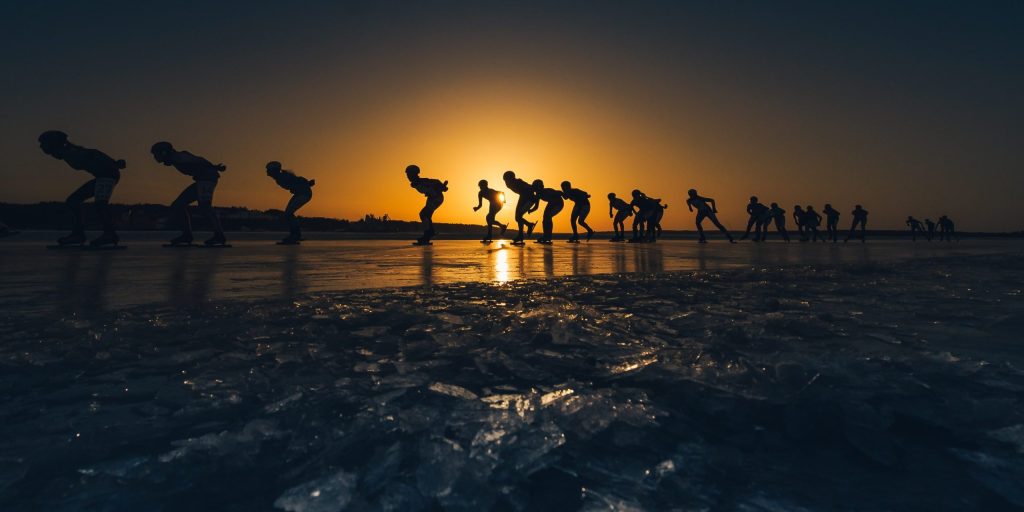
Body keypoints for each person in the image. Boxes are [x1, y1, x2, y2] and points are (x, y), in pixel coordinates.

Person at [38, 131, 126, 246]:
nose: (45, 150)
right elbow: (94, 153)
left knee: (100, 204)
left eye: (45, 146)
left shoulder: (72, 152)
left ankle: (109, 234)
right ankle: (79, 234)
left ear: (54, 145)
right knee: (73, 201)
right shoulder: (70, 151)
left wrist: (114, 163)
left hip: (108, 174)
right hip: (104, 175)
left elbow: (94, 154)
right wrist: (114, 162)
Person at [151, 141, 228, 246]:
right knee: (178, 205)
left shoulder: (178, 157)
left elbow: (199, 161)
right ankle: (187, 235)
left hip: (207, 179)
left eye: (156, 154)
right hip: (202, 179)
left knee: (204, 206)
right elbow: (197, 160)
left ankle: (219, 236)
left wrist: (214, 167)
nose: (156, 157)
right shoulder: (176, 158)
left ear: (164, 153)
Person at [266, 161, 315, 244]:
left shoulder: (282, 177)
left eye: (268, 170)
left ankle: (295, 235)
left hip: (304, 194)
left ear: (274, 170)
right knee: (288, 214)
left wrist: (307, 183)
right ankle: (295, 234)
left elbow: (298, 179)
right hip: (301, 193)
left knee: (288, 214)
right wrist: (306, 184)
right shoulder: (280, 177)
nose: (267, 172)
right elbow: (296, 180)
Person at [405, 164, 447, 245]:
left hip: (436, 197)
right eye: (407, 175)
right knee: (426, 215)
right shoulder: (415, 183)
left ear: (414, 174)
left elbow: (435, 181)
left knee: (424, 214)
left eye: (409, 175)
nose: (407, 177)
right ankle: (428, 234)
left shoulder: (422, 181)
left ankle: (428, 234)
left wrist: (442, 187)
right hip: (432, 198)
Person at [502, 170, 538, 244]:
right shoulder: (509, 184)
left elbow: (530, 187)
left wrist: (537, 191)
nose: (506, 182)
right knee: (518, 217)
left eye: (507, 180)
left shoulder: (518, 182)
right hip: (523, 198)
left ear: (511, 179)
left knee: (518, 217)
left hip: (529, 199)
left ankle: (526, 228)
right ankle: (524, 231)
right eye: (505, 180)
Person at [532, 179, 564, 244]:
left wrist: (565, 194)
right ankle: (546, 236)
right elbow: (536, 206)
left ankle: (548, 236)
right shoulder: (538, 195)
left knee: (548, 217)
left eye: (537, 187)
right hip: (551, 203)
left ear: (541, 187)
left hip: (558, 203)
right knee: (545, 219)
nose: (536, 190)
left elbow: (559, 193)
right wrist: (531, 210)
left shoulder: (547, 191)